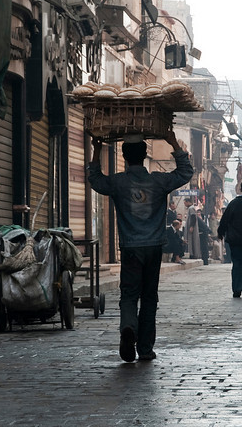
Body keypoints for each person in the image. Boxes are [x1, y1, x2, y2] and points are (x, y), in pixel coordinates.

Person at [87, 130, 193, 362]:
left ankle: (128, 327)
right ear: (145, 155)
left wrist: (96, 149)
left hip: (130, 248)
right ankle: (145, 348)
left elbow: (95, 179)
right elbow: (185, 172)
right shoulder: (158, 180)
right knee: (149, 297)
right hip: (154, 247)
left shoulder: (117, 182)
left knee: (129, 295)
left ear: (124, 156)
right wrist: (173, 141)